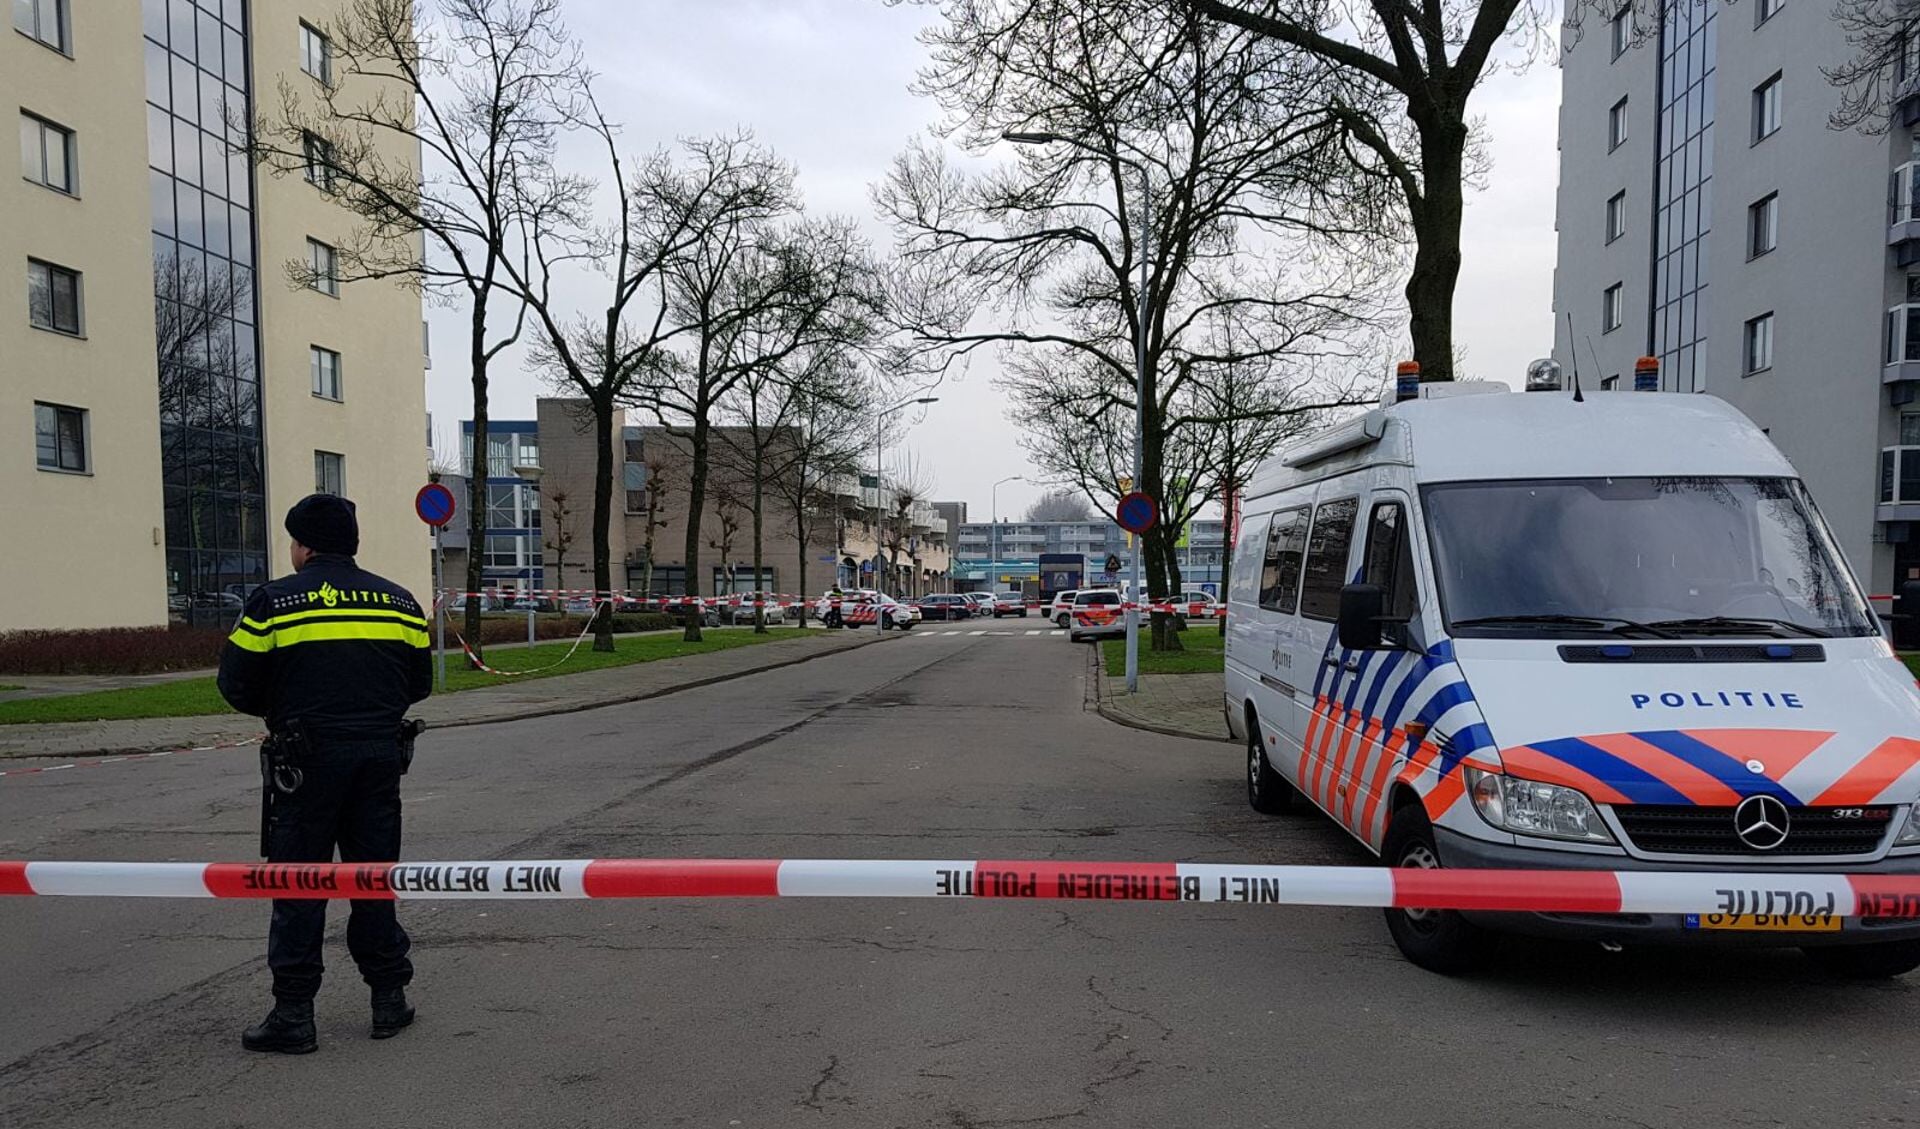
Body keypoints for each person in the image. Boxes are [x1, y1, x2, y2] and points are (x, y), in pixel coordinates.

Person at [217, 494, 433, 1054]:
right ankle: (388, 999)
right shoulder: (400, 602)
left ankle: (293, 1014)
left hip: (304, 764)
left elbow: (235, 685)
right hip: (379, 761)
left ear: (304, 546)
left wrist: (287, 709)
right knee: (374, 880)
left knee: (297, 885)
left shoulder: (272, 602)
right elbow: (419, 685)